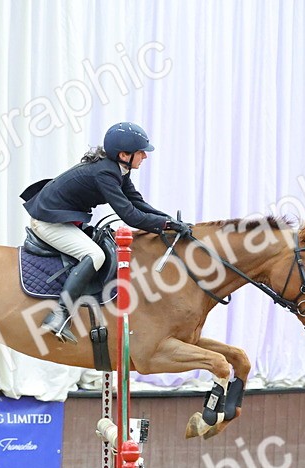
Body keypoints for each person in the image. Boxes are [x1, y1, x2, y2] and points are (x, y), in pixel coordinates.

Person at [21, 122, 189, 342]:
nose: (145, 157)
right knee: (95, 255)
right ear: (124, 154)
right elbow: (130, 215)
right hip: (47, 222)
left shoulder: (120, 169)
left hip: (63, 217)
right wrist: (165, 226)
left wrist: (168, 220)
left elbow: (137, 202)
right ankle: (59, 315)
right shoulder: (105, 174)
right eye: (141, 153)